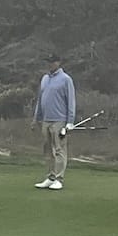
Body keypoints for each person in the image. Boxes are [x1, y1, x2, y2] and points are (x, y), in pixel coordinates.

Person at [31, 53, 76, 190]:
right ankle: (50, 177)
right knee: (47, 150)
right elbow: (40, 99)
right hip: (46, 120)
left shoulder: (66, 79)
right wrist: (35, 118)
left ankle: (59, 178)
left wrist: (70, 121)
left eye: (52, 62)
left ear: (58, 62)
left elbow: (71, 101)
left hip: (60, 120)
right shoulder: (44, 79)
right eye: (48, 62)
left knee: (59, 150)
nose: (49, 64)